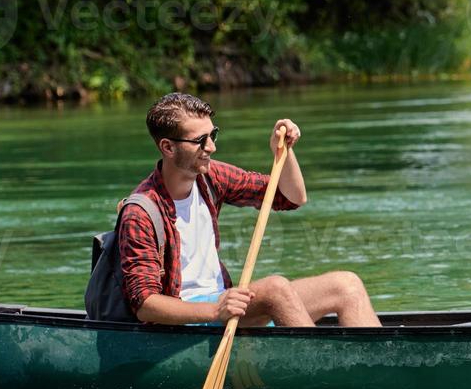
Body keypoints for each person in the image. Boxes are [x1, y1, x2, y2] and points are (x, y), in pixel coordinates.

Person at [118, 91, 381, 327]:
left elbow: (291, 197)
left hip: (225, 304)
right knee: (275, 288)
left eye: (213, 135)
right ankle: (322, 372)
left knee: (347, 285)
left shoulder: (211, 178)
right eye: (200, 140)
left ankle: (376, 368)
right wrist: (215, 310)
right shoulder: (141, 212)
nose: (211, 146)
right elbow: (145, 305)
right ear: (167, 147)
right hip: (188, 320)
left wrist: (283, 153)